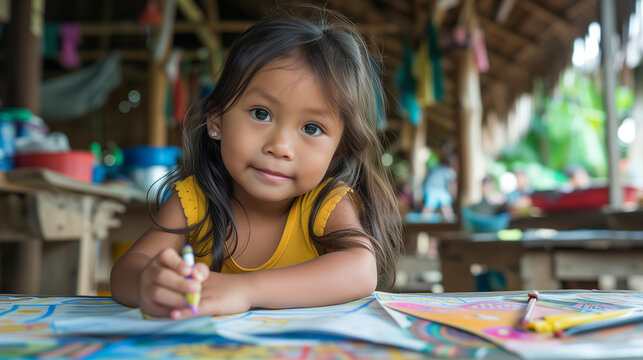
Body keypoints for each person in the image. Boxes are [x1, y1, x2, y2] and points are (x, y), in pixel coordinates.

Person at [110, 9, 404, 319]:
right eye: (261, 114)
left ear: (339, 150)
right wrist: (149, 283)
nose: (280, 147)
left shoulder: (324, 204)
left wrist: (246, 290)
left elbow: (360, 269)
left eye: (311, 128)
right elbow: (126, 270)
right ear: (217, 120)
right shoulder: (195, 201)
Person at [421, 145, 457, 222]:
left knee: (428, 209)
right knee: (446, 208)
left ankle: (421, 224)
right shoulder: (449, 171)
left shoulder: (435, 168)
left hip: (430, 189)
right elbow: (452, 184)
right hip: (436, 190)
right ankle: (451, 224)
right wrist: (453, 195)